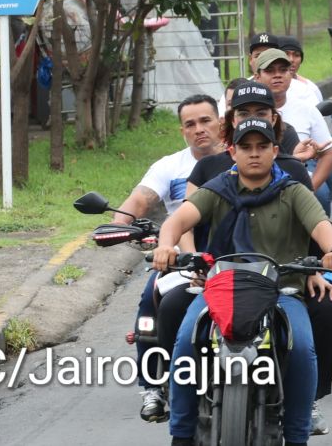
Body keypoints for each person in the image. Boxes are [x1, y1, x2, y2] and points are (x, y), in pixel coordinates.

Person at [153, 115, 332, 446]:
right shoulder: (217, 189)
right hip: (219, 290)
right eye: (246, 147)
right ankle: (182, 434)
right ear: (232, 152)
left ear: (275, 151)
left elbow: (322, 227)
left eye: (262, 147)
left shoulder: (294, 191)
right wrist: (164, 245)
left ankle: (298, 435)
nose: (254, 154)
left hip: (281, 291)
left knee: (301, 347)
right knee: (185, 342)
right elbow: (178, 221)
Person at [115, 94, 228, 422]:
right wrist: (116, 226)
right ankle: (153, 385)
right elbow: (137, 202)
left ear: (222, 121)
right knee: (151, 305)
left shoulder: (245, 159)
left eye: (206, 120)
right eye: (190, 124)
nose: (199, 129)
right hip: (179, 258)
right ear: (182, 131)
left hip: (235, 257)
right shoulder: (169, 166)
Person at [255, 48, 332, 213]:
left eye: (283, 70)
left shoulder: (307, 109)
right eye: (270, 71)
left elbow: (328, 154)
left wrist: (310, 188)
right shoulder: (247, 111)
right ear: (257, 77)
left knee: (320, 195)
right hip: (254, 173)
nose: (277, 75)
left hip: (299, 174)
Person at [275, 36, 323, 108]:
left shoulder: (310, 89)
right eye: (286, 54)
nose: (291, 59)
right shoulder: (261, 87)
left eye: (296, 55)